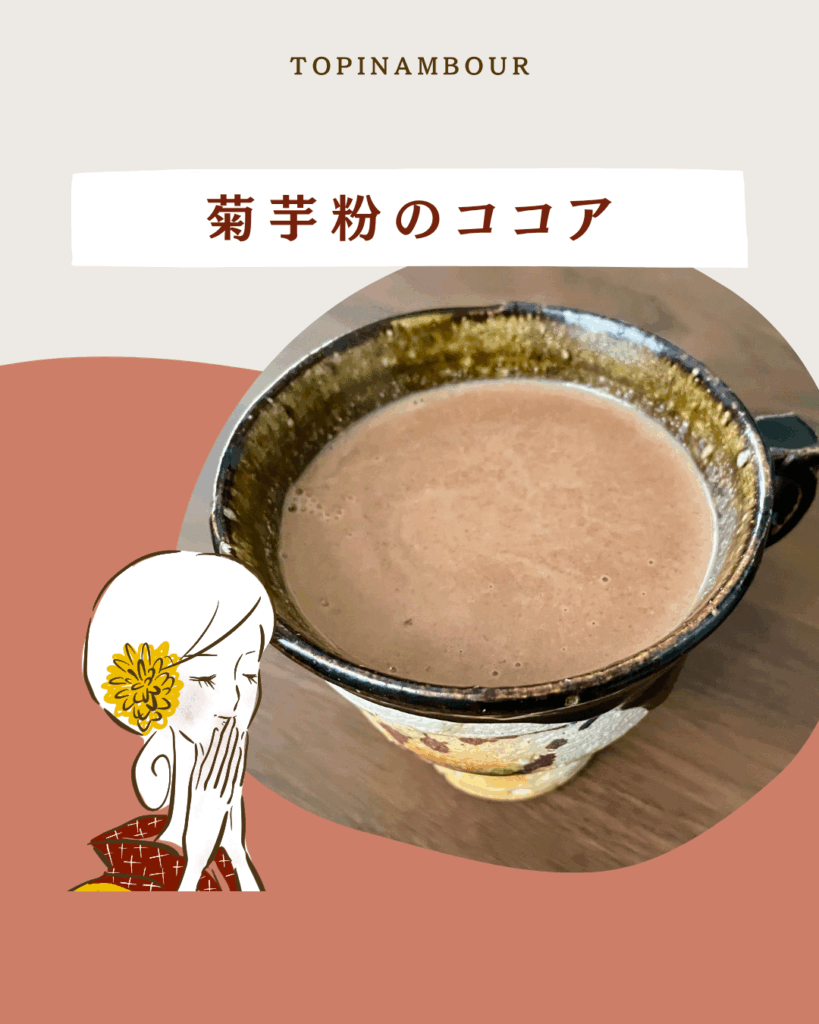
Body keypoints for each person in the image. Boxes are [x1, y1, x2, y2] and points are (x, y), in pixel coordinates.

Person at [72, 551, 275, 892]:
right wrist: (194, 865)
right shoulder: (121, 876)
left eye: (249, 674)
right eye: (206, 677)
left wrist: (237, 853)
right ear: (144, 692)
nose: (234, 702)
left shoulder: (233, 855)